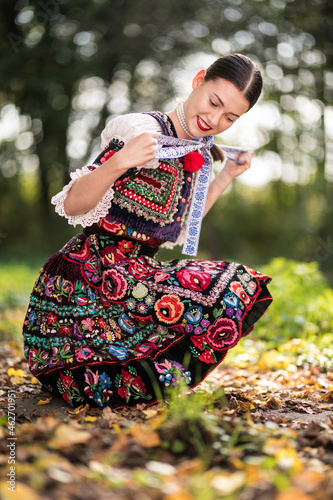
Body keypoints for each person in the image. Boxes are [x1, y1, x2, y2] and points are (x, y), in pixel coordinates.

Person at [23, 53, 273, 409]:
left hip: (134, 277)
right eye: (214, 102)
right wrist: (120, 161)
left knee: (233, 285)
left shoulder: (199, 153)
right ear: (198, 79)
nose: (214, 119)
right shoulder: (141, 130)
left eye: (230, 117)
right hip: (85, 279)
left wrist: (225, 176)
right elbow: (74, 204)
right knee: (224, 285)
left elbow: (183, 227)